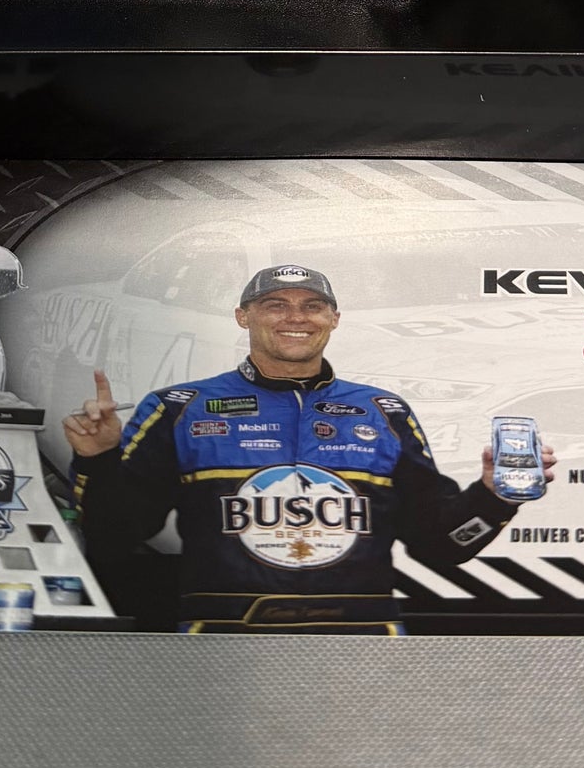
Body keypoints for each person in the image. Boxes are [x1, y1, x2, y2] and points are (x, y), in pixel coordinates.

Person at [62, 263, 555, 631]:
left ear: (334, 319)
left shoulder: (384, 410)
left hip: (365, 637)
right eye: (275, 305)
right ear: (243, 316)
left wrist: (495, 497)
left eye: (312, 306)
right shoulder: (180, 407)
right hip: (223, 634)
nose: (295, 317)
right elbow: (115, 536)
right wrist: (98, 459)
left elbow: (441, 546)